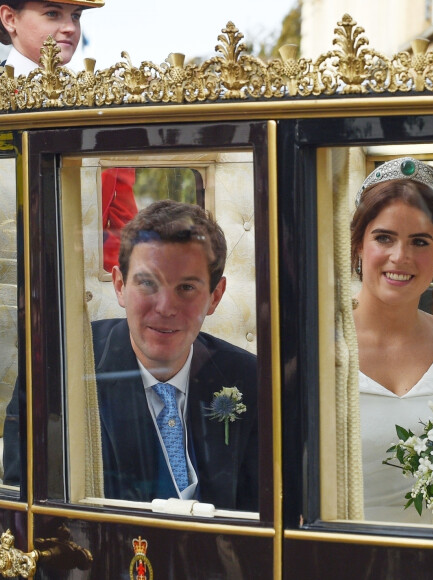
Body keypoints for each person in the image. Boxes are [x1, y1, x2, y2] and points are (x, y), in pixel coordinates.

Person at [4, 199, 259, 512]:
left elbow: (261, 511)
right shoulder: (56, 371)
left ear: (214, 297)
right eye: (148, 283)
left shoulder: (249, 378)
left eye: (186, 288)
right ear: (120, 285)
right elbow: (24, 508)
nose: (165, 307)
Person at [351, 157, 433, 523]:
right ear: (358, 244)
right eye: (384, 237)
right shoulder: (317, 348)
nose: (400, 257)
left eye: (419, 242)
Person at [0, 0, 103, 76]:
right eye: (52, 13)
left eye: (75, 16)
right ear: (10, 19)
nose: (71, 28)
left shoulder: (88, 93)